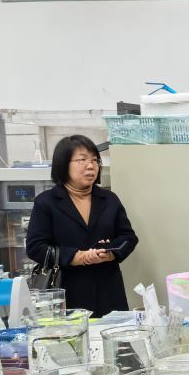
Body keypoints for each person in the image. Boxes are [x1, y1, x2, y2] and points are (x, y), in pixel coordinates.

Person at [25, 135, 138, 317]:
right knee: (73, 334)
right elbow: (35, 247)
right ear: (63, 164)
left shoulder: (109, 199)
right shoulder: (46, 202)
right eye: (82, 160)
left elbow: (129, 238)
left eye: (94, 160)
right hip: (66, 293)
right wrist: (78, 257)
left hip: (108, 291)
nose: (91, 166)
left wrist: (110, 253)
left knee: (113, 333)